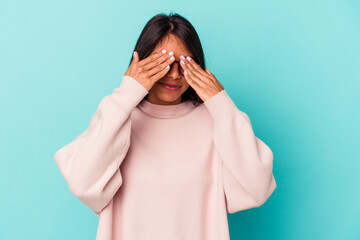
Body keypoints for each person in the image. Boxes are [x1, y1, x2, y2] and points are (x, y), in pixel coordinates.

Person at [54, 12, 277, 240]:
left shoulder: (215, 122)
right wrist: (127, 93)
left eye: (185, 64)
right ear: (140, 62)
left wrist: (220, 101)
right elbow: (84, 184)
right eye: (164, 62)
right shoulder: (116, 118)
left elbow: (257, 188)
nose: (174, 75)